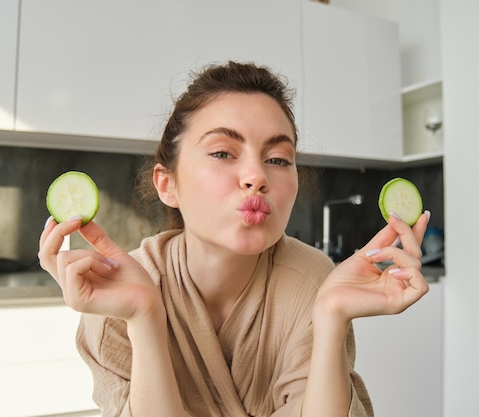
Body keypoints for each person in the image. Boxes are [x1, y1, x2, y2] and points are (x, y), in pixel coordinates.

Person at [38, 61, 430, 417]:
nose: (256, 176)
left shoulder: (312, 282)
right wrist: (144, 315)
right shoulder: (118, 299)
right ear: (167, 183)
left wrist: (331, 317)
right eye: (224, 152)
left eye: (277, 159)